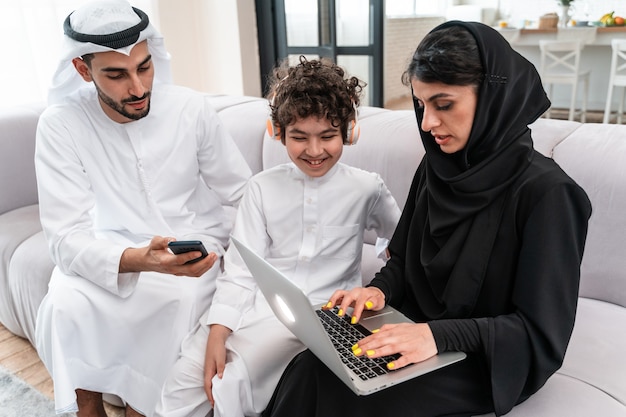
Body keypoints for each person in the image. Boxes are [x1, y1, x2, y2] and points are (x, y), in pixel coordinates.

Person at [261, 21, 593, 417]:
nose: (426, 123)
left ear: (491, 96)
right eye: (420, 104)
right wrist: (379, 291)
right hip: (413, 330)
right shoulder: (437, 166)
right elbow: (403, 261)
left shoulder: (550, 196)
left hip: (483, 358)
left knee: (352, 398)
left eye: (443, 104)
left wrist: (436, 335)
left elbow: (538, 333)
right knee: (311, 367)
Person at [33, 1, 252, 416]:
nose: (137, 88)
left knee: (178, 301)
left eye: (144, 67)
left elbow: (242, 194)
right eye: (116, 74)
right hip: (110, 248)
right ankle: (88, 409)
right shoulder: (60, 124)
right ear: (83, 70)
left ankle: (141, 409)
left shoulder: (191, 109)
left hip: (190, 250)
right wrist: (138, 259)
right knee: (63, 301)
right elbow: (64, 238)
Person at [155, 56, 401, 417]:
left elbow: (399, 244)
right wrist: (218, 331)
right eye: (299, 137)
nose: (314, 151)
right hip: (253, 307)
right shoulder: (260, 188)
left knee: (231, 380)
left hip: (319, 318)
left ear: (349, 131)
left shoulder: (368, 188)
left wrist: (385, 281)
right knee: (183, 381)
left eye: (328, 136)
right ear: (277, 131)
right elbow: (239, 270)